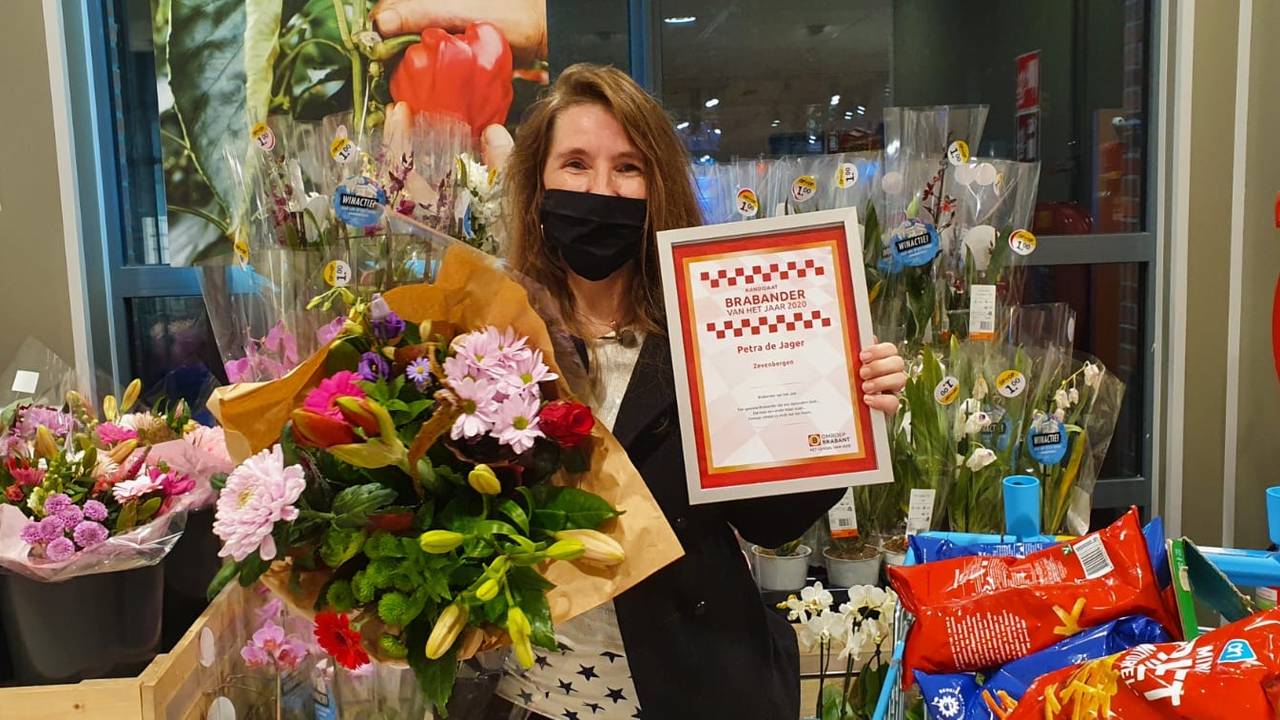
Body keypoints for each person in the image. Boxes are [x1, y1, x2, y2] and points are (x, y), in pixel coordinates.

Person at [485, 64, 908, 720]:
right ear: (537, 182)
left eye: (628, 167)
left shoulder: (711, 326)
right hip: (530, 697)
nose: (601, 189)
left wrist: (850, 411)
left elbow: (769, 524)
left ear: (658, 185)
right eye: (575, 164)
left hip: (691, 688)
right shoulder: (494, 336)